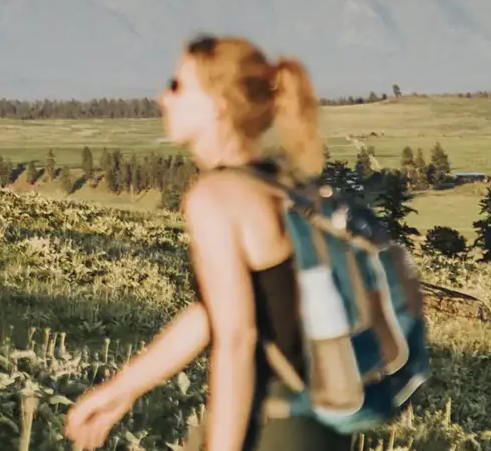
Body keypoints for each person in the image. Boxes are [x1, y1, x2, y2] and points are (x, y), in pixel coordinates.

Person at [65, 36, 348, 451]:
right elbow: (214, 313)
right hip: (320, 424)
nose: (163, 97)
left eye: (178, 85)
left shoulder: (215, 197)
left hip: (273, 424)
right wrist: (121, 391)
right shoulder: (274, 182)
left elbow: (237, 339)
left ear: (218, 102)